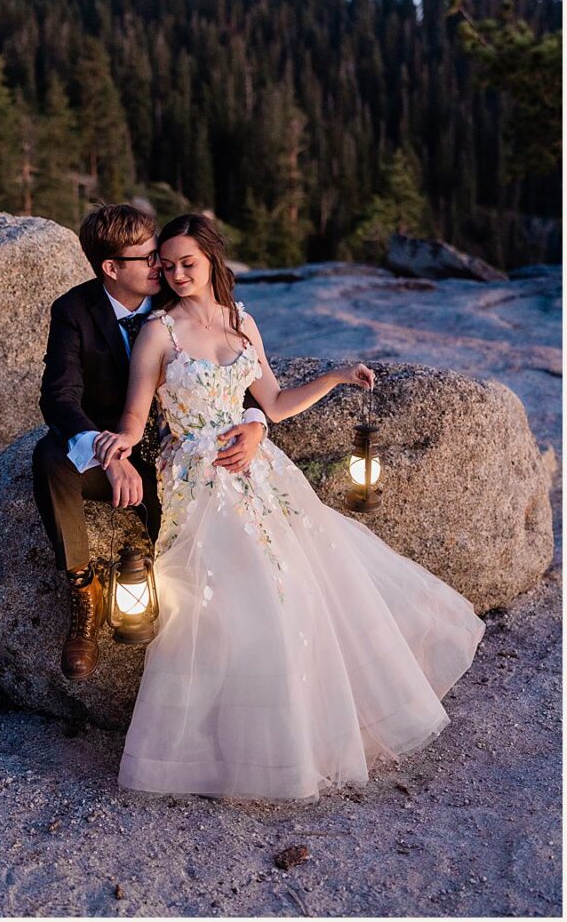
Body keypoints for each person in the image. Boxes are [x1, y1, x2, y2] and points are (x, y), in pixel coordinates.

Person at [94, 214, 484, 799]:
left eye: (187, 263)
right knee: (231, 599)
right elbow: (135, 414)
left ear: (212, 259)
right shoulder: (159, 331)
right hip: (197, 474)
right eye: (166, 265)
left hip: (260, 472)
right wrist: (115, 447)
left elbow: (273, 403)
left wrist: (334, 376)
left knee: (301, 583)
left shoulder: (242, 321)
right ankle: (228, 754)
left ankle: (306, 737)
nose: (176, 274)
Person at [32, 204, 267, 679]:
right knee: (50, 458)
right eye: (148, 258)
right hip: (117, 443)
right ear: (111, 267)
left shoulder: (178, 294)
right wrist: (107, 452)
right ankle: (84, 592)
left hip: (183, 453)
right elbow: (58, 397)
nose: (162, 266)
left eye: (159, 253)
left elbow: (231, 373)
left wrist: (257, 421)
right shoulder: (74, 311)